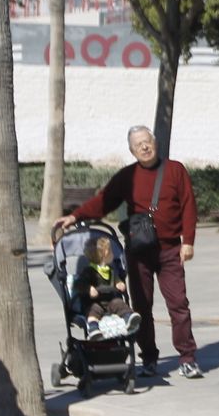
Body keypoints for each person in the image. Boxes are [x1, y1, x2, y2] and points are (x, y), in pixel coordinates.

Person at [55, 126, 204, 379]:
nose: (144, 147)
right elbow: (103, 201)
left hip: (169, 250)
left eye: (147, 142)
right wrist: (76, 216)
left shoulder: (175, 170)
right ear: (132, 150)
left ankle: (187, 358)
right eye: (138, 145)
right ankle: (149, 359)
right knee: (142, 307)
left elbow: (189, 205)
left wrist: (188, 241)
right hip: (138, 252)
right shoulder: (127, 176)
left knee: (178, 305)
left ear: (154, 142)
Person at [76, 235, 141, 338]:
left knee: (119, 303)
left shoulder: (110, 270)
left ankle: (129, 319)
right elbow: (79, 284)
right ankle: (93, 328)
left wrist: (119, 283)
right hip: (95, 302)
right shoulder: (89, 271)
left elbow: (116, 279)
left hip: (110, 301)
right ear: (105, 254)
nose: (113, 254)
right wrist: (89, 289)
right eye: (111, 252)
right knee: (93, 310)